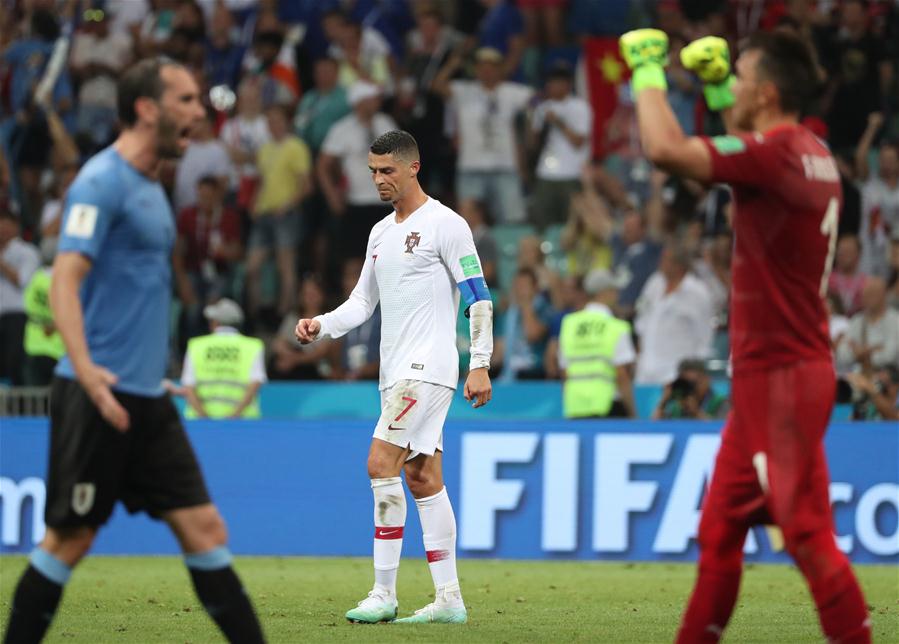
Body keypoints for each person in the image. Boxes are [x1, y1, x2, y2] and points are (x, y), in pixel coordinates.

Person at [1, 58, 265, 644]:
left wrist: (150, 372)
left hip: (147, 397)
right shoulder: (100, 182)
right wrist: (90, 374)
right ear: (147, 109)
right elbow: (65, 280)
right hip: (97, 393)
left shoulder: (150, 185)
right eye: (186, 100)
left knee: (205, 528)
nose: (199, 111)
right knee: (69, 541)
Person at [619, 27, 870, 642]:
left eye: (741, 77)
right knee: (720, 531)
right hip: (776, 376)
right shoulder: (808, 151)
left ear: (767, 92)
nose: (734, 84)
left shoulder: (775, 154)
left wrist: (647, 71)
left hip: (782, 378)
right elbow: (743, 144)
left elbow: (665, 149)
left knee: (806, 534)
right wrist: (714, 89)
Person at [295, 130, 493, 625]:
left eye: (387, 171)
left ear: (413, 168)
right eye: (373, 172)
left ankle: (383, 592)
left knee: (379, 461)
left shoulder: (446, 224)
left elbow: (478, 296)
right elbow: (362, 302)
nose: (378, 180)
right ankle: (449, 599)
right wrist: (321, 325)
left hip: (427, 368)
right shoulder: (381, 232)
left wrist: (480, 362)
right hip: (395, 372)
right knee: (422, 477)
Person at [558, 269, 636, 419]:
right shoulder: (616, 327)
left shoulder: (569, 324)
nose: (617, 295)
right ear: (605, 293)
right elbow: (621, 375)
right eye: (614, 290)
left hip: (576, 407)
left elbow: (564, 371)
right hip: (608, 406)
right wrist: (632, 413)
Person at [634, 243, 715, 385]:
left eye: (666, 260)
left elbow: (705, 336)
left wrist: (695, 371)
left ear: (679, 266)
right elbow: (642, 321)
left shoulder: (697, 292)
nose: (660, 263)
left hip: (676, 372)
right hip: (645, 373)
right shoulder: (654, 283)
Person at [529, 61, 592, 229]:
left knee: (572, 223)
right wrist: (532, 116)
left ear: (568, 84)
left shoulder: (579, 106)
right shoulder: (542, 108)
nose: (554, 85)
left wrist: (558, 122)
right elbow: (533, 144)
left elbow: (579, 142)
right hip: (545, 173)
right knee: (542, 222)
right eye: (552, 81)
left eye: (559, 81)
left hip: (571, 173)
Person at [181, 298, 266, 419]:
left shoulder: (196, 346)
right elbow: (255, 383)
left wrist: (204, 418)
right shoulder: (253, 346)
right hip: (243, 423)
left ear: (215, 322)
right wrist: (233, 417)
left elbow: (188, 386)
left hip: (199, 423)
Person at [0, 210, 41, 386]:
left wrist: (1, 263)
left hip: (17, 316)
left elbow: (23, 281)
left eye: (5, 224)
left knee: (14, 365)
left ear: (15, 227)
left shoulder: (27, 252)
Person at [835, 275, 899, 373]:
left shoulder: (895, 320)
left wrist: (860, 353)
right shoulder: (857, 320)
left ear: (883, 295)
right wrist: (871, 350)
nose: (866, 298)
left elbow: (890, 355)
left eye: (872, 294)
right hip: (859, 375)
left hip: (887, 377)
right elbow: (842, 353)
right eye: (864, 294)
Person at [22, 264, 65, 387]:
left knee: (35, 394)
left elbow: (26, 303)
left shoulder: (37, 277)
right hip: (58, 349)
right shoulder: (65, 279)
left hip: (34, 345)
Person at [653, 359, 729, 420]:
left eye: (693, 383)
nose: (690, 389)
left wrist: (696, 412)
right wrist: (663, 402)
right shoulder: (678, 407)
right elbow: (655, 427)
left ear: (706, 380)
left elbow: (720, 428)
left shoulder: (720, 403)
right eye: (685, 384)